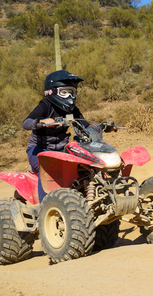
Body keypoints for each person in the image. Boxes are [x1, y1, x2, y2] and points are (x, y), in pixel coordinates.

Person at [23, 70, 96, 202]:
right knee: (46, 167)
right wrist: (40, 122)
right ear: (52, 91)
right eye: (65, 92)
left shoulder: (72, 110)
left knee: (84, 165)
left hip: (62, 150)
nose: (70, 96)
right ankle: (45, 206)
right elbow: (26, 123)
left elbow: (85, 125)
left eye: (72, 92)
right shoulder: (45, 105)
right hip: (39, 150)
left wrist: (101, 127)